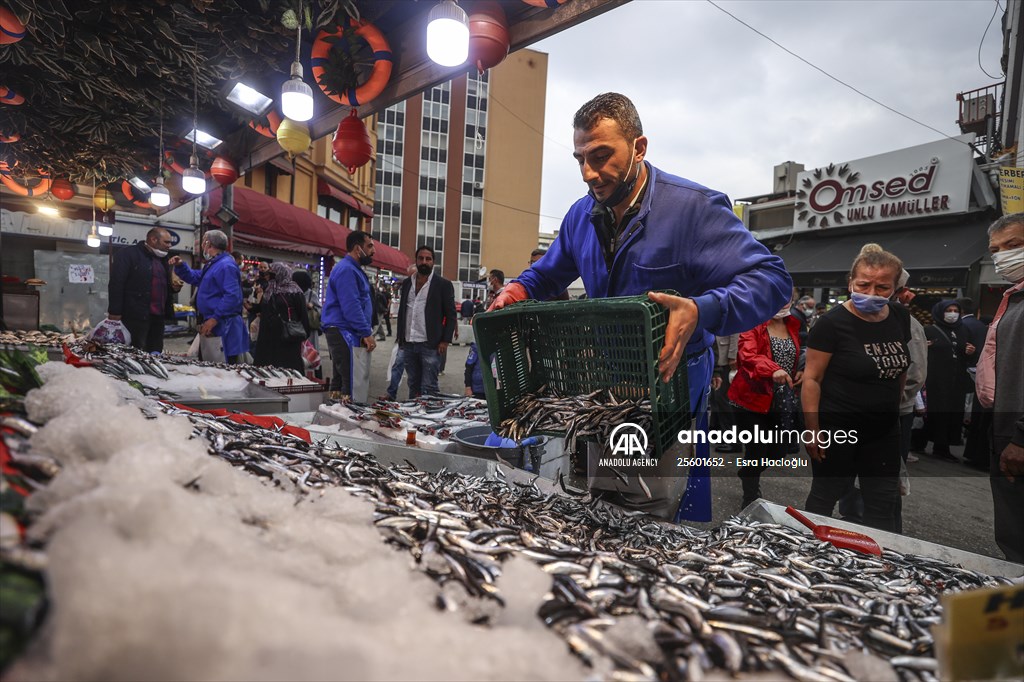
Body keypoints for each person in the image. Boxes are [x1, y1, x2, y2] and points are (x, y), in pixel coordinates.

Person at [491, 92, 791, 520]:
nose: (589, 173)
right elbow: (548, 274)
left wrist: (701, 309)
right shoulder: (581, 215)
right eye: (580, 159)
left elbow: (772, 281)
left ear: (639, 147)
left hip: (670, 389)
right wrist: (519, 289)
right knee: (602, 496)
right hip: (605, 387)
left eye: (601, 155)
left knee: (650, 508)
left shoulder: (694, 209)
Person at [801, 244, 911, 533]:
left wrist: (894, 407)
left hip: (884, 432)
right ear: (851, 282)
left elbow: (901, 367)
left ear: (895, 288)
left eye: (882, 287)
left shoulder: (900, 317)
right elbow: (811, 379)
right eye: (863, 284)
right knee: (826, 495)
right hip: (838, 429)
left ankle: (876, 562)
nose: (871, 293)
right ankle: (807, 552)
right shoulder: (831, 324)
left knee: (883, 502)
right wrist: (812, 428)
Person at [976, 212, 1024, 562]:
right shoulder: (1014, 298)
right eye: (996, 249)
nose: (1003, 255)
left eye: (1014, 245)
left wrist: (1021, 438)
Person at [727, 298, 802, 510]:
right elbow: (748, 355)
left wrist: (801, 368)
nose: (783, 301)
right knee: (756, 451)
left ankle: (748, 471)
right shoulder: (753, 323)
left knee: (778, 452)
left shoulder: (793, 323)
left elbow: (798, 352)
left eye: (787, 296)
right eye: (778, 295)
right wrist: (772, 369)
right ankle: (750, 495)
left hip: (780, 401)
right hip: (751, 400)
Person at [169, 229, 247, 363]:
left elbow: (232, 296)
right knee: (211, 364)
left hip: (223, 325)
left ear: (208, 243)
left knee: (225, 368)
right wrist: (181, 265)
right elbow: (195, 277)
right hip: (215, 322)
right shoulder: (214, 264)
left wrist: (214, 319)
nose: (200, 246)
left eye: (202, 242)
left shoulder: (226, 265)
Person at [322, 232, 377, 404]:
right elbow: (351, 305)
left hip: (344, 330)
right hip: (343, 330)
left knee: (340, 380)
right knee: (350, 382)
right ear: (357, 248)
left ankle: (334, 414)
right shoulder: (347, 269)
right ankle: (347, 420)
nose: (373, 251)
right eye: (369, 246)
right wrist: (366, 332)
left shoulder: (352, 269)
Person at [396, 245, 457, 398]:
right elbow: (403, 311)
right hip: (409, 343)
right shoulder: (407, 283)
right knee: (413, 384)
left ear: (433, 262)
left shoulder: (443, 285)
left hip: (430, 344)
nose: (424, 262)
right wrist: (400, 338)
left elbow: (451, 315)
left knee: (429, 386)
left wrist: (445, 340)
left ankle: (429, 417)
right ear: (416, 260)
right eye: (421, 258)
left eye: (428, 259)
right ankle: (413, 416)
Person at [107, 227, 175, 352]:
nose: (170, 246)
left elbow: (163, 285)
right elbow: (116, 283)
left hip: (158, 317)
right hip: (134, 316)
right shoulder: (127, 254)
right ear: (153, 239)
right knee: (134, 352)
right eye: (166, 242)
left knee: (155, 352)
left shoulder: (164, 259)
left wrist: (174, 287)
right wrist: (114, 311)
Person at [922, 299, 975, 461]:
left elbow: (964, 352)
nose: (952, 313)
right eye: (948, 310)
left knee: (951, 413)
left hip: (955, 380)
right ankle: (921, 442)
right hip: (935, 379)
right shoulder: (929, 330)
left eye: (955, 310)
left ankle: (942, 445)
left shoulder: (963, 330)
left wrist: (969, 351)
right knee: (932, 411)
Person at [250, 262, 308, 372]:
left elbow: (302, 315)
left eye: (272, 274)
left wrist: (303, 334)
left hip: (288, 337)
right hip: (268, 337)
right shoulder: (269, 290)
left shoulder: (294, 291)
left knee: (288, 370)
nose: (269, 276)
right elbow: (263, 309)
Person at [710, 333, 739, 453]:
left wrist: (733, 355)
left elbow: (735, 329)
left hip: (725, 357)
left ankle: (732, 441)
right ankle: (720, 433)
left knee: (723, 400)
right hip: (718, 354)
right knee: (717, 399)